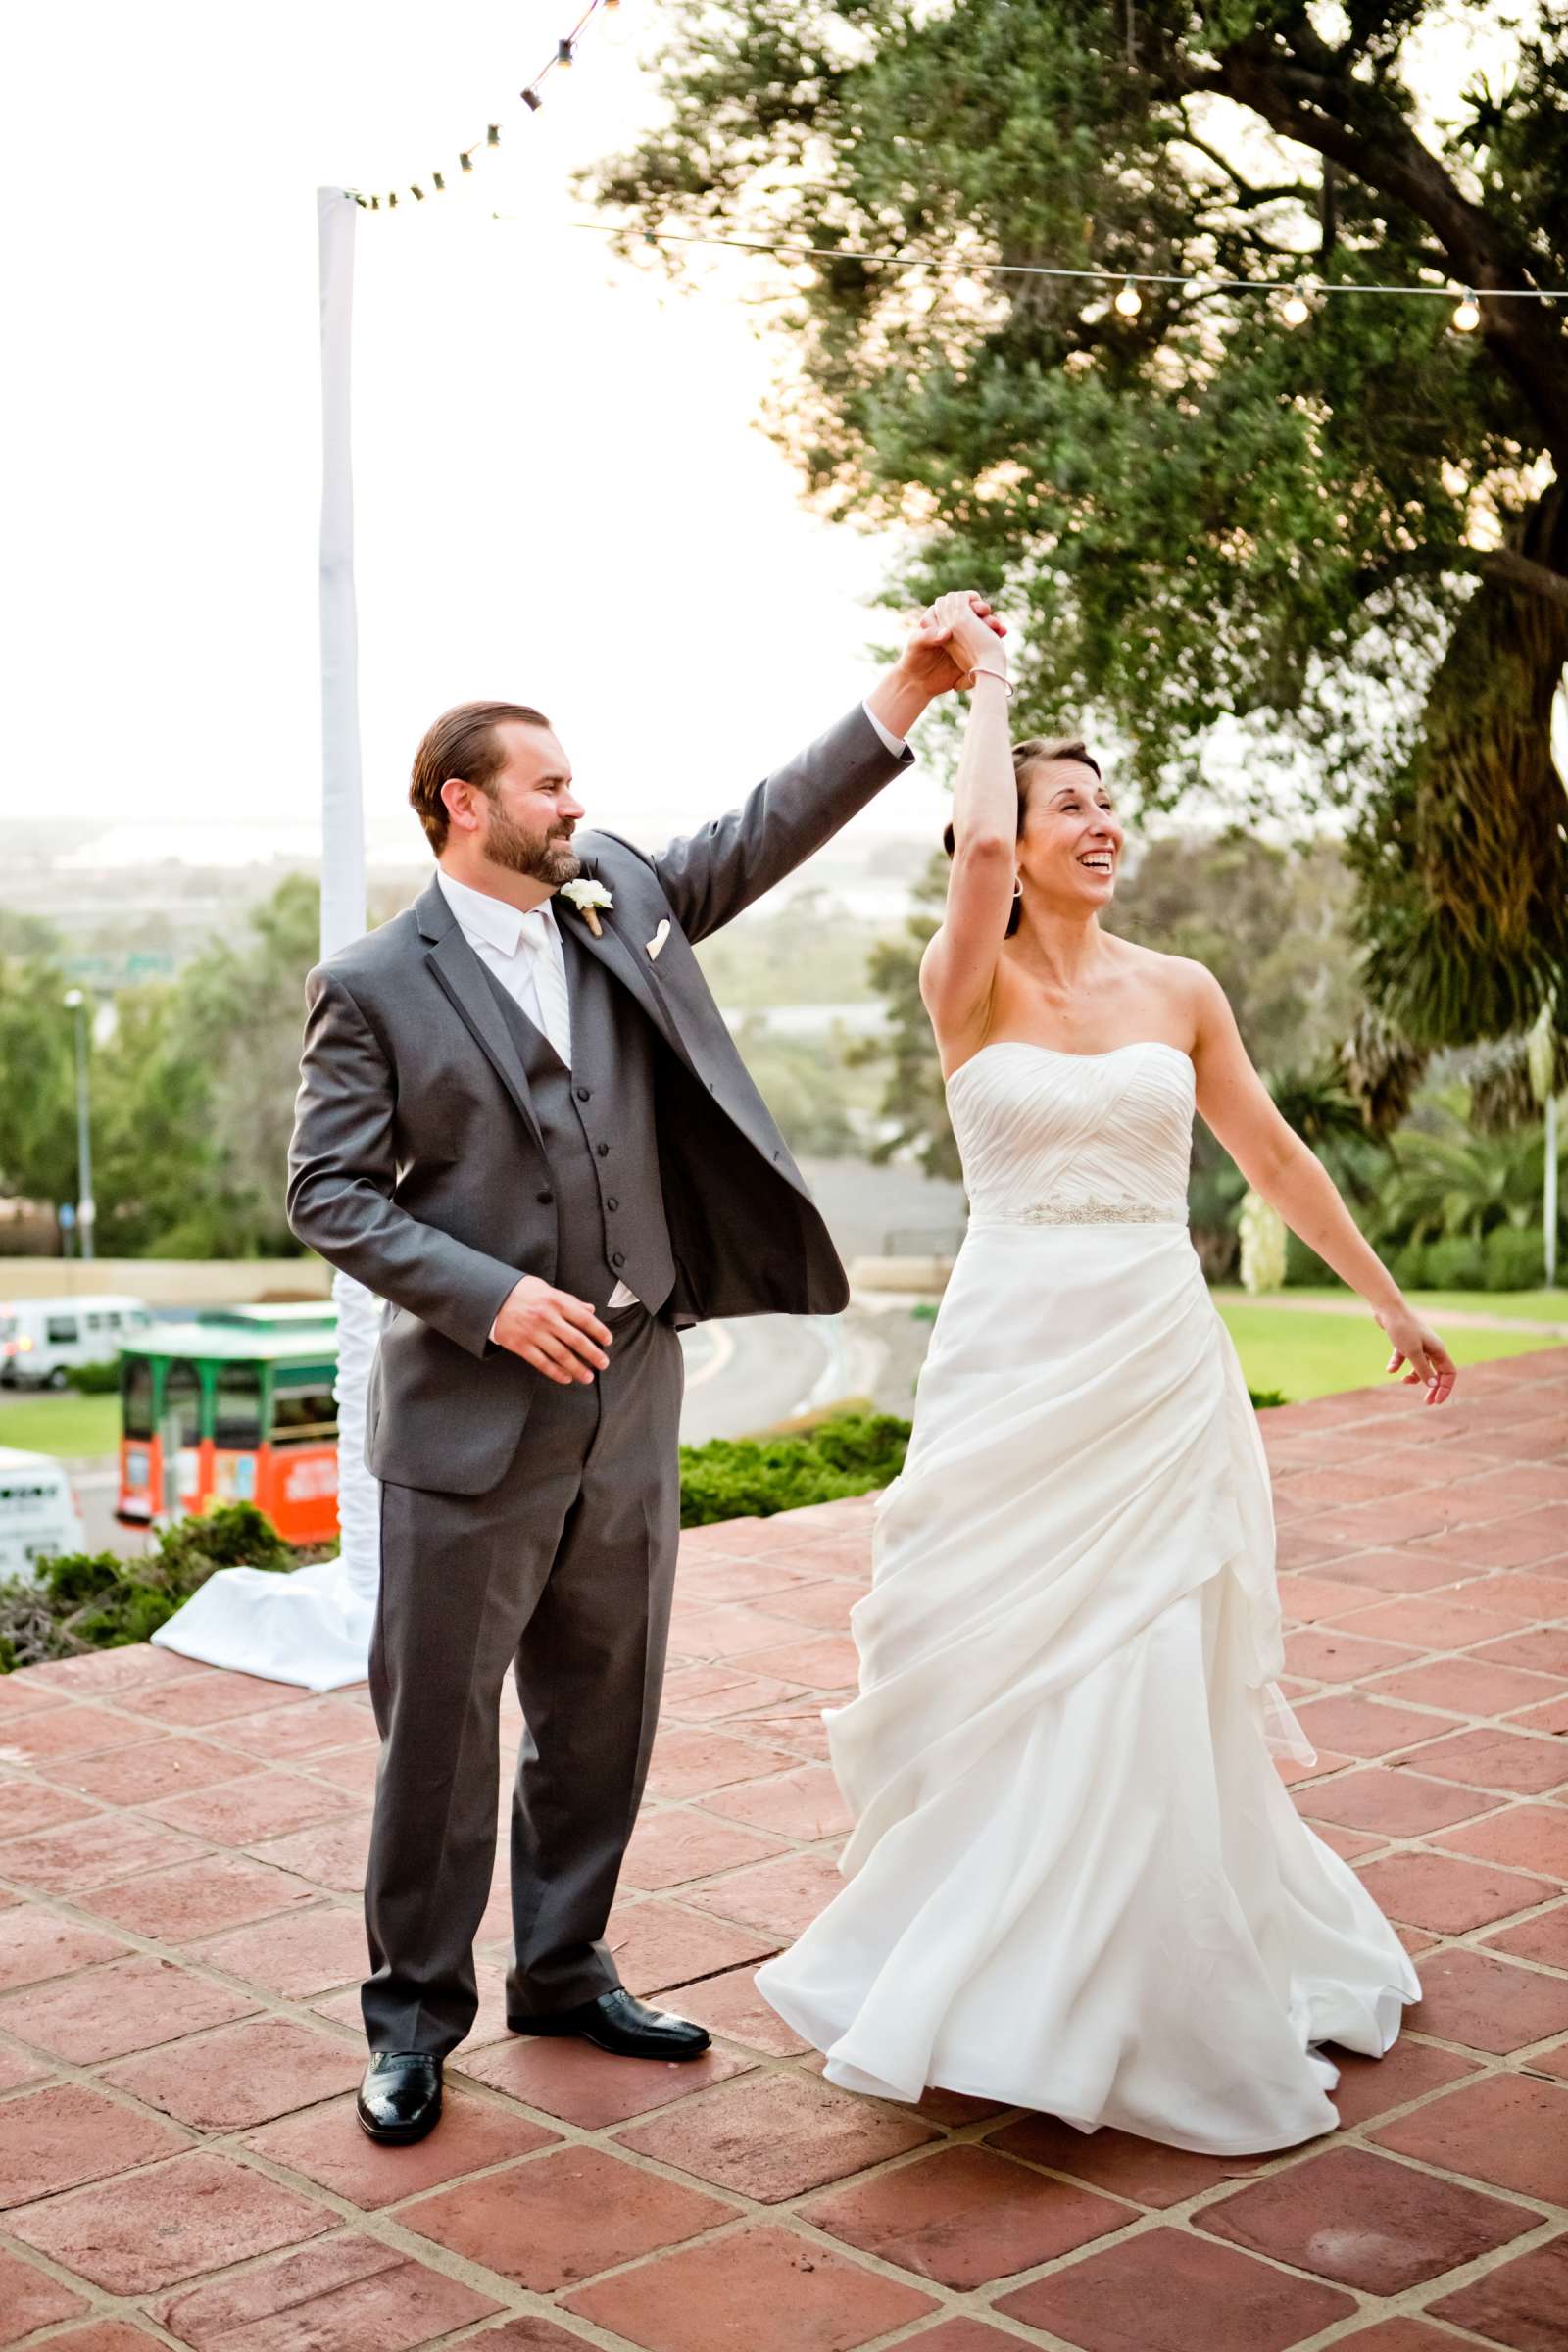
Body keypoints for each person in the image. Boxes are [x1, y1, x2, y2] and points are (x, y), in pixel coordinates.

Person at [284, 596, 1005, 2145]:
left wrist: (911, 687)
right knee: (440, 1733)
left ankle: (563, 1968)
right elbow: (327, 1193)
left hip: (638, 1383)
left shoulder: (614, 895)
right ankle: (411, 2022)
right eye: (547, 784)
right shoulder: (375, 982)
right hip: (472, 1417)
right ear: (460, 805)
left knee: (604, 1703)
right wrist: (489, 1300)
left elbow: (757, 832)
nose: (577, 803)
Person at [754, 589, 1456, 2156]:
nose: (1099, 822)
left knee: (1142, 1648)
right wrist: (984, 683)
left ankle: (1154, 1963)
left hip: (1149, 1351)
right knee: (1008, 1648)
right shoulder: (969, 985)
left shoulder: (1181, 990)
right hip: (1014, 1355)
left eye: (1107, 801)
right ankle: (992, 1954)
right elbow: (986, 858)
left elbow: (1269, 1154)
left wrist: (1385, 1300)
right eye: (1067, 801)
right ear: (989, 833)